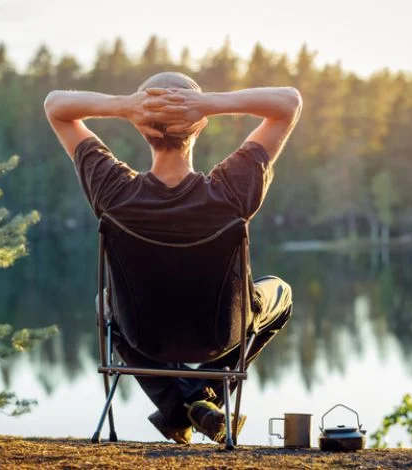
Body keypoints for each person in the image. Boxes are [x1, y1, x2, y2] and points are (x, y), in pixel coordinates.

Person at [44, 72, 302, 444]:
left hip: (144, 337)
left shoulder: (113, 191)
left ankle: (178, 402)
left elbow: (55, 106)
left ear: (141, 128)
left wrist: (125, 105)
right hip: (221, 335)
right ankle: (200, 395)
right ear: (198, 129)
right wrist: (209, 104)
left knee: (105, 303)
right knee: (281, 291)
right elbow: (289, 102)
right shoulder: (231, 190)